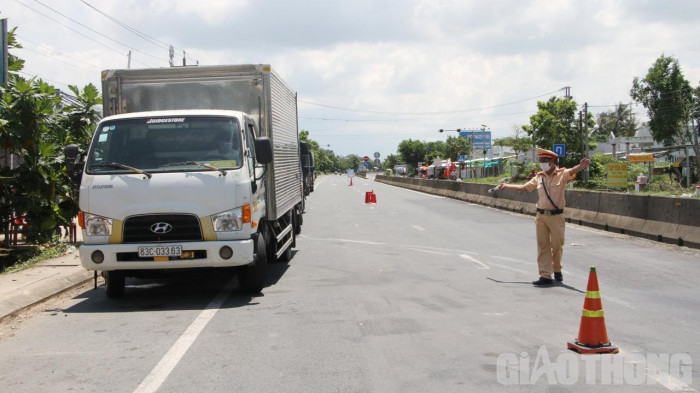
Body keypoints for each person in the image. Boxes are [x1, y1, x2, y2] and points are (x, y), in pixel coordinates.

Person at [496, 148, 591, 286]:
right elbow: (525, 188)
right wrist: (506, 186)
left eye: (544, 161)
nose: (541, 163)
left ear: (551, 161)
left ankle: (557, 268)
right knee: (543, 246)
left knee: (557, 245)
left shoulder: (562, 174)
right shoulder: (539, 177)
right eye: (540, 161)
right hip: (541, 215)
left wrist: (581, 166)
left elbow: (572, 171)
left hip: (556, 216)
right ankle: (545, 274)